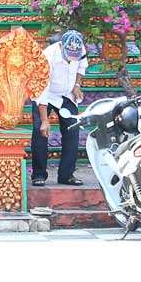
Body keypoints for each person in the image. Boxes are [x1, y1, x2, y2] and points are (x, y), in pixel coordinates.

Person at [31, 30, 89, 187]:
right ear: (61, 46)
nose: (71, 60)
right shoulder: (48, 56)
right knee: (40, 132)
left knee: (73, 131)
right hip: (46, 94)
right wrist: (45, 120)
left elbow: (81, 67)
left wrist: (77, 85)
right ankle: (38, 175)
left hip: (67, 95)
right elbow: (42, 90)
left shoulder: (80, 49)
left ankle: (66, 175)